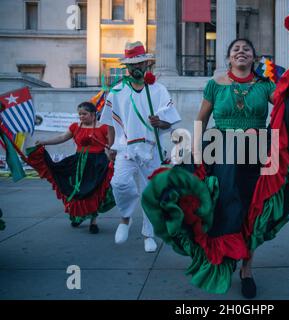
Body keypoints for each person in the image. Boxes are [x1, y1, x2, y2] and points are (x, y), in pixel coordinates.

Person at [141, 30, 289, 298]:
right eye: (236, 49)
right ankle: (225, 254)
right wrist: (196, 148)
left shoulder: (265, 85)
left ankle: (247, 268)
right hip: (219, 148)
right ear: (228, 57)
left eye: (246, 49)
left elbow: (285, 103)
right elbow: (201, 118)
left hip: (256, 151)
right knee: (223, 208)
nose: (241, 51)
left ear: (254, 57)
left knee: (251, 209)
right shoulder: (215, 84)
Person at [99, 41, 181, 253]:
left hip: (151, 150)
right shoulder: (116, 91)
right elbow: (110, 123)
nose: (135, 67)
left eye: (140, 63)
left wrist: (160, 123)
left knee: (150, 192)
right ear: (126, 67)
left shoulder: (158, 90)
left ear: (146, 65)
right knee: (119, 184)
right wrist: (109, 147)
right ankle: (125, 218)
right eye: (131, 64)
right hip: (125, 148)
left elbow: (169, 121)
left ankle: (148, 234)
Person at [27, 101, 115, 233]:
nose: (81, 116)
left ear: (93, 114)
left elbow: (112, 144)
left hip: (97, 164)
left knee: (93, 192)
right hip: (78, 163)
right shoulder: (75, 127)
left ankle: (93, 221)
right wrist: (45, 142)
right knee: (75, 190)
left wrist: (112, 151)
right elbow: (62, 137)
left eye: (84, 114)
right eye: (79, 114)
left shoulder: (104, 127)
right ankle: (77, 216)